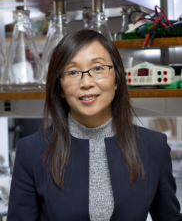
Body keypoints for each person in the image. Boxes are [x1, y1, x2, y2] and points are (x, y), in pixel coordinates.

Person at [7, 30, 182, 221]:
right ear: (60, 89)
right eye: (72, 72)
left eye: (97, 68)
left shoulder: (153, 147)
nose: (86, 82)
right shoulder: (32, 152)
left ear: (116, 78)